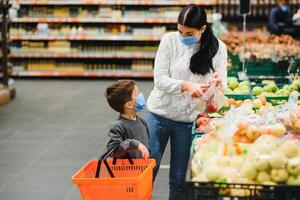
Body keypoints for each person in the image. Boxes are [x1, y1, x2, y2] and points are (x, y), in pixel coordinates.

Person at [145, 4, 227, 200]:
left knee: (179, 180)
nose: (183, 36)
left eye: (189, 33)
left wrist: (217, 82)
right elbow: (160, 79)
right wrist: (186, 86)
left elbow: (223, 81)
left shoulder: (218, 48)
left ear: (203, 29)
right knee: (147, 172)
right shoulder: (169, 41)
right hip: (158, 115)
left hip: (188, 119)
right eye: (180, 30)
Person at [105, 80, 150, 159]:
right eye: (138, 93)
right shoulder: (117, 127)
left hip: (143, 169)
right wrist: (133, 144)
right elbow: (112, 150)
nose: (141, 95)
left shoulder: (143, 123)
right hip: (127, 170)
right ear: (129, 104)